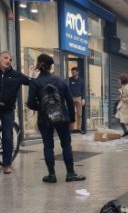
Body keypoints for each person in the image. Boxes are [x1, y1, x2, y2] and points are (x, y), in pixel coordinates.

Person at [26, 54, 85, 183]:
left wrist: (43, 107)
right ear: (51, 66)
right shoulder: (61, 80)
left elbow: (30, 104)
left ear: (38, 65)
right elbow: (70, 101)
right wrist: (72, 120)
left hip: (44, 120)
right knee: (66, 145)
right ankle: (70, 174)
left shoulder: (35, 83)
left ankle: (51, 175)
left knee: (48, 146)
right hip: (62, 118)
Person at [115, 74, 128, 144]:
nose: (118, 81)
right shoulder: (123, 87)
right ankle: (126, 131)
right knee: (117, 118)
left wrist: (124, 99)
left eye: (119, 79)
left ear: (122, 80)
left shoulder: (127, 87)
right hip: (123, 108)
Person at [68, 67, 86, 133]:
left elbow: (83, 90)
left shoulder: (81, 81)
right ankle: (71, 128)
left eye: (74, 72)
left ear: (77, 72)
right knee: (71, 113)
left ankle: (79, 128)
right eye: (72, 72)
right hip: (71, 98)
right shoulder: (69, 79)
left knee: (79, 114)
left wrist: (83, 98)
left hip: (79, 98)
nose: (72, 73)